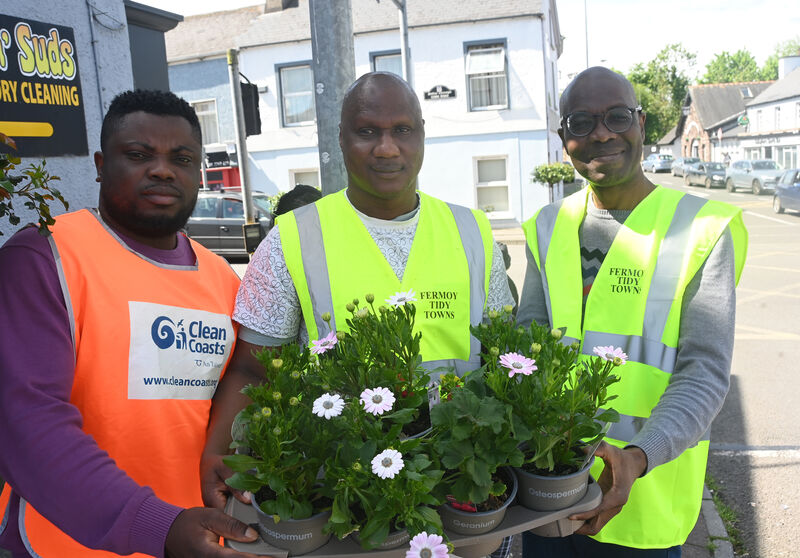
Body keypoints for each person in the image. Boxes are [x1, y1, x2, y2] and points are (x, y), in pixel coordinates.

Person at [200, 71, 516, 557]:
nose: (387, 148)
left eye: (402, 130)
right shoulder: (292, 239)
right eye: (367, 131)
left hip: (460, 499)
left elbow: (502, 356)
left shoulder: (472, 232)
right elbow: (252, 367)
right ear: (340, 140)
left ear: (422, 136)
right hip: (347, 500)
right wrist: (218, 452)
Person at [0, 90, 264, 557]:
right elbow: (27, 422)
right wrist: (157, 527)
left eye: (181, 159)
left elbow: (233, 404)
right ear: (101, 164)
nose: (163, 169)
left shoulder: (222, 279)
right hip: (63, 544)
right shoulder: (46, 257)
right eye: (139, 155)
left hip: (193, 538)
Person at [517, 67, 748, 557]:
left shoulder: (701, 228)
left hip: (645, 501)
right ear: (564, 140)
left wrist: (638, 457)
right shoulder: (548, 225)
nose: (601, 133)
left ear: (641, 124)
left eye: (616, 117)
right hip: (549, 500)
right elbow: (526, 349)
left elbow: (703, 373)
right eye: (581, 123)